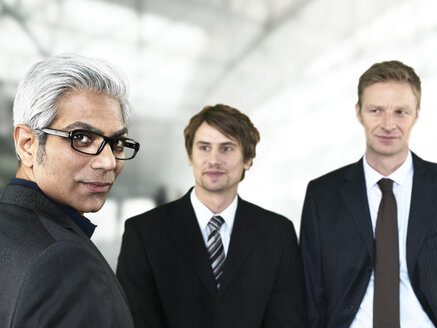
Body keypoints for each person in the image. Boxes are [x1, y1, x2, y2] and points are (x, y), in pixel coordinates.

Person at [117, 104, 307, 328]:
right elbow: (136, 319)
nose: (214, 159)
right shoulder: (144, 232)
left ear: (248, 159)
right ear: (190, 156)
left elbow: (288, 321)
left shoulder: (278, 233)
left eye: (226, 148)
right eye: (204, 147)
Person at [0, 54, 140, 327]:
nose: (109, 161)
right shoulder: (66, 263)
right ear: (28, 144)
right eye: (82, 138)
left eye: (118, 143)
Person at [300, 60, 437, 327]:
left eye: (400, 112)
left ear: (417, 114)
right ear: (358, 112)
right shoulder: (322, 196)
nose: (388, 124)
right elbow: (311, 293)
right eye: (376, 110)